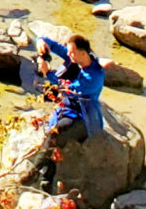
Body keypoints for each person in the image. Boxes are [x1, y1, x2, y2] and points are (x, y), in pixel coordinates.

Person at [34, 31, 105, 165]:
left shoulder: (93, 77)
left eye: (71, 53)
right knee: (51, 133)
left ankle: (38, 167)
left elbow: (68, 89)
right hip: (68, 108)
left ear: (83, 53)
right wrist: (41, 42)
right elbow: (53, 45)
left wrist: (47, 72)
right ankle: (46, 175)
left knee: (54, 134)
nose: (68, 55)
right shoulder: (77, 58)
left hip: (83, 117)